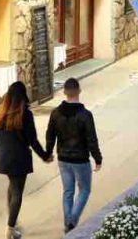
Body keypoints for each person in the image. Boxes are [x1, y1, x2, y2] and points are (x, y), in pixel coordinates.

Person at [0, 81, 52, 239]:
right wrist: (45, 156)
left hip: (4, 157)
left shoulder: (0, 113)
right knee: (17, 191)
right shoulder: (25, 115)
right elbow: (33, 140)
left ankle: (12, 220)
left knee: (12, 187)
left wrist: (1, 151)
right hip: (19, 158)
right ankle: (10, 228)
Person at [45, 78, 103, 233]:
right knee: (84, 190)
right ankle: (72, 220)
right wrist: (98, 159)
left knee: (68, 192)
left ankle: (68, 223)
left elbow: (50, 136)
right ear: (79, 91)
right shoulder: (85, 115)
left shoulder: (55, 113)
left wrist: (48, 153)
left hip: (63, 158)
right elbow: (91, 139)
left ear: (64, 92)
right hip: (80, 159)